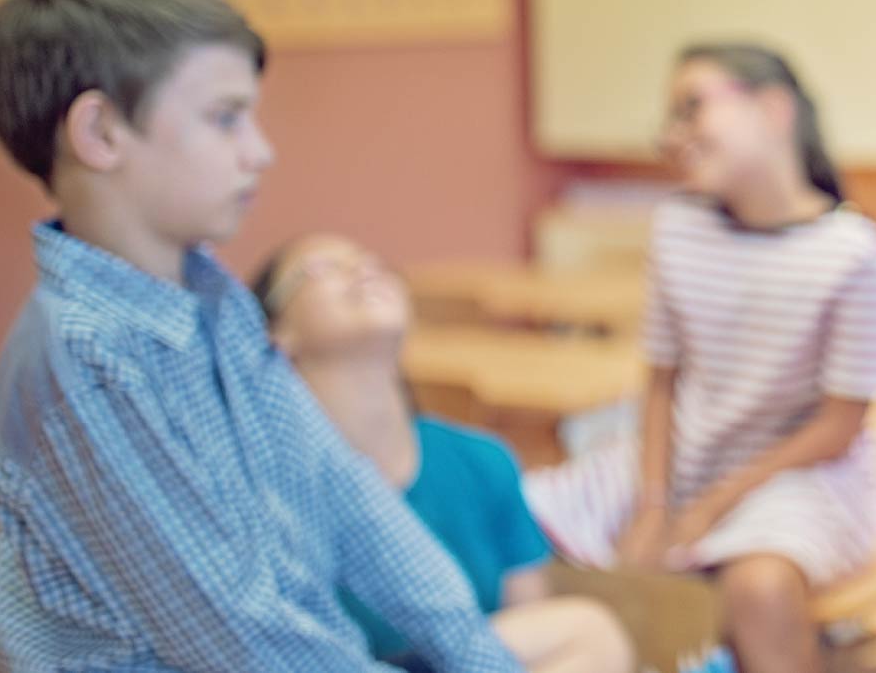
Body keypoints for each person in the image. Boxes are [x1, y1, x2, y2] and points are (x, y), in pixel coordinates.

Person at [0, 0, 523, 671]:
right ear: (101, 134)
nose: (261, 151)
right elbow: (234, 639)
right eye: (225, 119)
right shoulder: (84, 358)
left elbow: (346, 496)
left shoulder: (211, 299)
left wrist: (480, 656)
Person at [526, 43, 876, 673]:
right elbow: (661, 385)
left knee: (757, 585)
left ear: (775, 110)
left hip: (801, 473)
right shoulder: (678, 227)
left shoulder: (855, 251)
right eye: (669, 119)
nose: (674, 136)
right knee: (512, 514)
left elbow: (839, 428)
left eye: (692, 108)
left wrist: (706, 507)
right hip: (685, 453)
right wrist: (654, 504)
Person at [254, 232, 635, 673]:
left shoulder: (482, 461)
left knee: (590, 633)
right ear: (275, 333)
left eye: (374, 261)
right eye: (321, 268)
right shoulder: (267, 480)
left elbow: (528, 625)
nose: (363, 270)